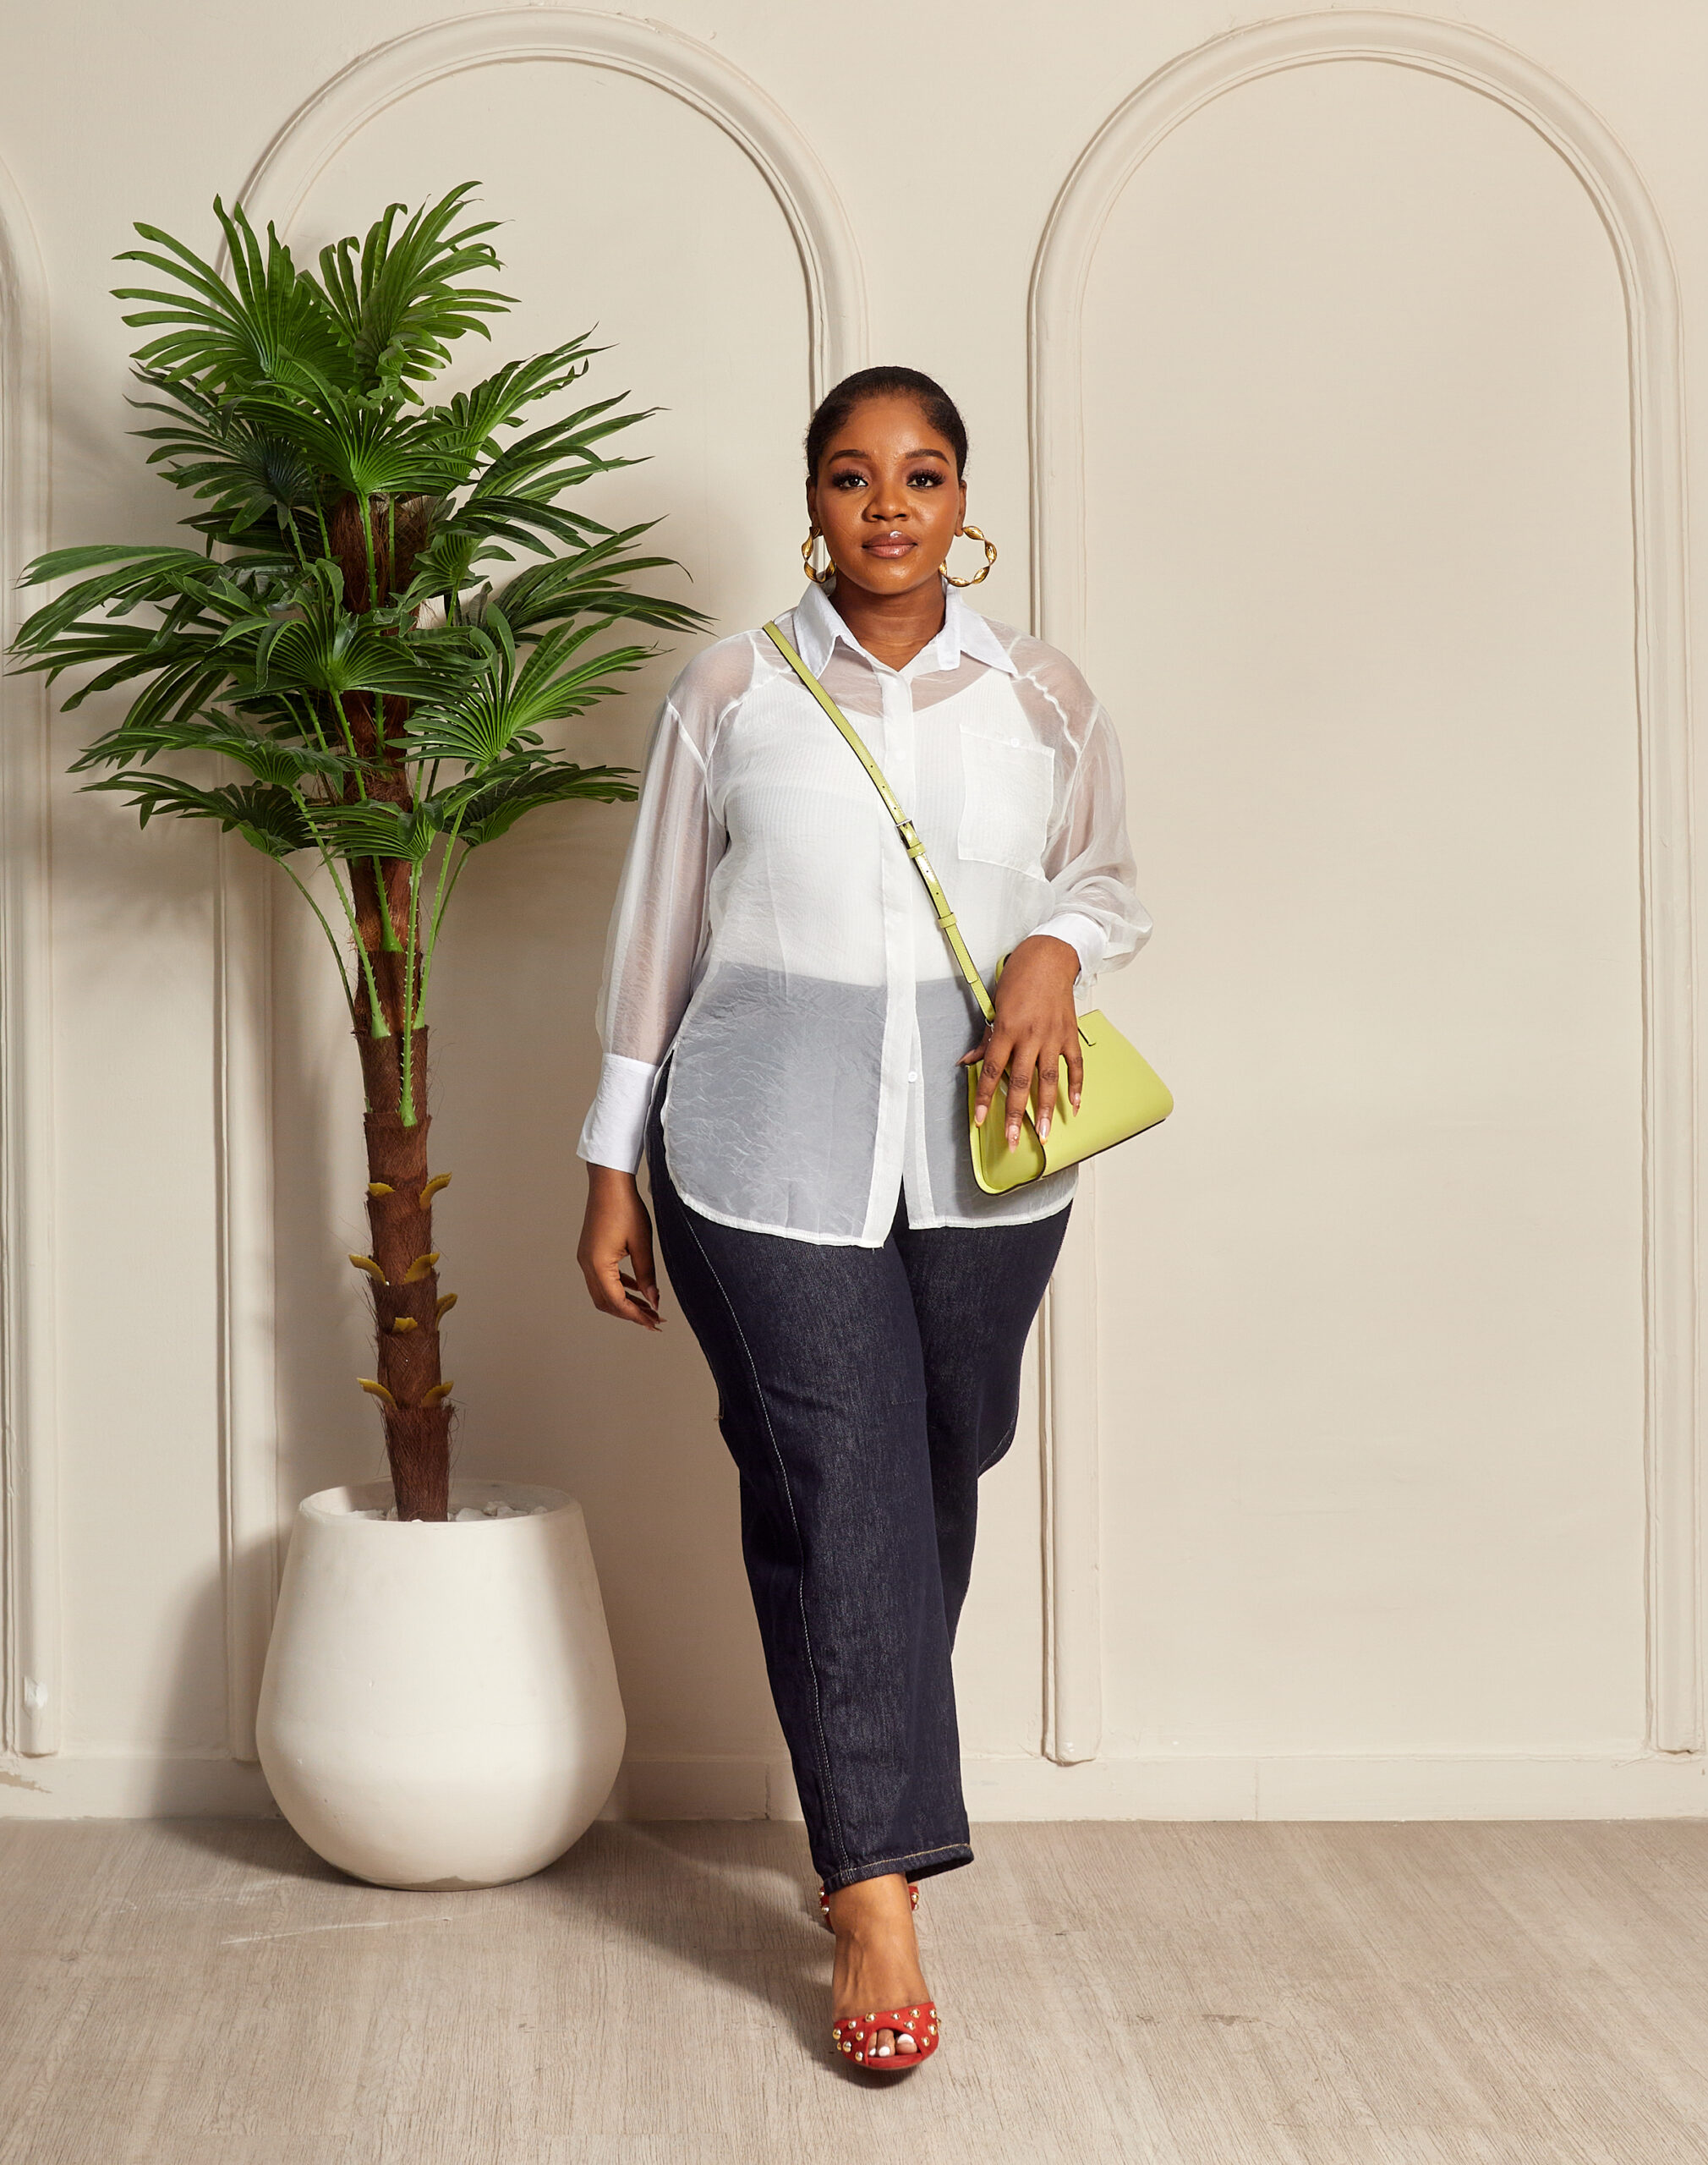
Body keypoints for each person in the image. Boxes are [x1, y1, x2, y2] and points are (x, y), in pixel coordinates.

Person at [574, 364, 1152, 2070]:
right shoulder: (731, 688)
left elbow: (1108, 876)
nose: (887, 504)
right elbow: (657, 932)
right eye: (850, 473)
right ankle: (875, 1886)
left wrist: (1053, 950)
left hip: (993, 1147)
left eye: (920, 473)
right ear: (813, 500)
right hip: (756, 1147)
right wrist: (609, 1161)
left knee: (927, 1465)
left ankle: (856, 1766)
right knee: (846, 1479)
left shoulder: (1042, 692)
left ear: (964, 501)